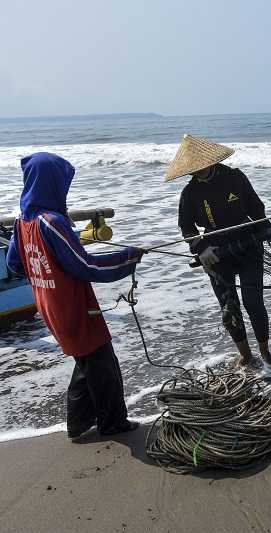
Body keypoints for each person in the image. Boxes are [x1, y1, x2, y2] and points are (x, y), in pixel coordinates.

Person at [5, 153, 144, 440]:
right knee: (102, 360)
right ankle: (113, 423)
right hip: (71, 304)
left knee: (85, 358)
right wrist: (129, 257)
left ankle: (78, 423)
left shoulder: (22, 222)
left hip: (47, 303)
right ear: (52, 182)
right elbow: (87, 266)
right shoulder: (51, 222)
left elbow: (14, 264)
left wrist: (44, 270)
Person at [167, 134, 271, 370]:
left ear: (210, 160)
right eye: (192, 169)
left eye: (199, 166)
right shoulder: (189, 193)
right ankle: (245, 356)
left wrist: (267, 228)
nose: (196, 171)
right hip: (216, 253)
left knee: (253, 302)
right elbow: (187, 227)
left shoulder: (235, 177)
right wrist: (201, 248)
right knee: (229, 307)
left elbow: (256, 209)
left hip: (248, 245)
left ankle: (266, 353)